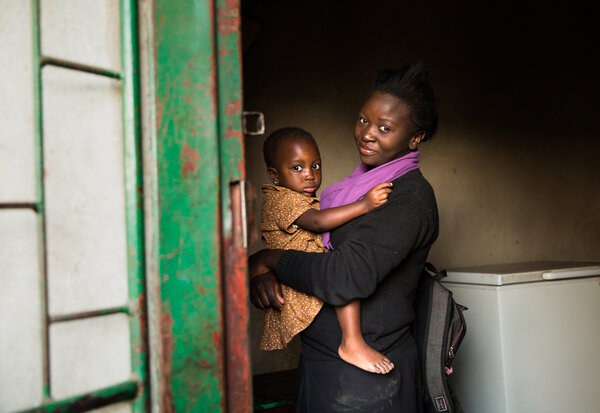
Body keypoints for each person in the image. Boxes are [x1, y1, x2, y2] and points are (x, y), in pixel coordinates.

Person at [249, 62, 439, 412]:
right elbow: (309, 245)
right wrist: (266, 272)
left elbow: (343, 276)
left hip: (367, 384)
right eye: (364, 120)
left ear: (415, 137)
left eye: (385, 127)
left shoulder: (407, 199)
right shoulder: (357, 188)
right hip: (326, 368)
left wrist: (267, 259)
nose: (367, 133)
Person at [259, 126, 394, 374]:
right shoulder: (280, 199)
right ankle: (352, 342)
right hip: (297, 280)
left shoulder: (303, 198)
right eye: (297, 168)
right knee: (344, 277)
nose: (310, 175)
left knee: (343, 270)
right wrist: (364, 205)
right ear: (275, 176)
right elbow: (318, 222)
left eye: (316, 165)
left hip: (307, 273)